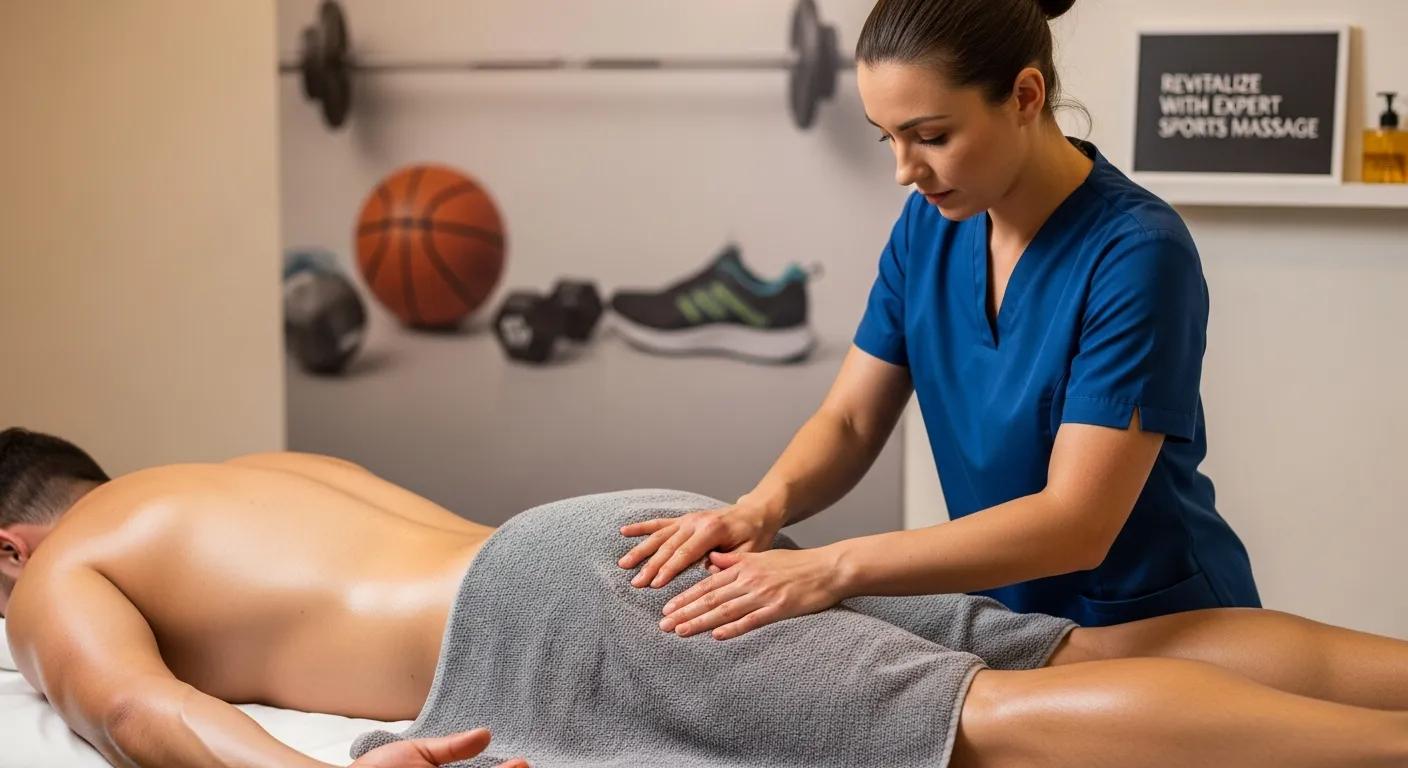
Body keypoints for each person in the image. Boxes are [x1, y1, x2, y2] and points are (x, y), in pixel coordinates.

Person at [3, 426, 1408, 767]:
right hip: (617, 537)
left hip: (543, 615)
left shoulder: (64, 566)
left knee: (974, 728)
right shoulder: (243, 469)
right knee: (1085, 652)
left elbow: (133, 708)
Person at [622, 0, 1259, 636]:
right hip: (1016, 625)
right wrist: (760, 508)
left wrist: (832, 567)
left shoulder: (1137, 253)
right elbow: (849, 421)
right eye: (888, 136)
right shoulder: (930, 225)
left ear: (1025, 96)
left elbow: (1076, 524)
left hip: (1155, 624)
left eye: (931, 137)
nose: (905, 170)